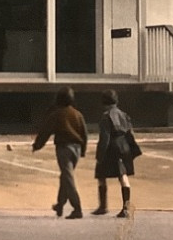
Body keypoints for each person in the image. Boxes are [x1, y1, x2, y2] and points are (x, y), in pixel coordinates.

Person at [32, 86, 88, 219]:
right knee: (65, 176)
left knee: (68, 178)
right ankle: (60, 204)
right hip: (77, 148)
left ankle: (77, 207)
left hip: (64, 148)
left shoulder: (57, 114)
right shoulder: (78, 114)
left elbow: (46, 131)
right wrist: (83, 150)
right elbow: (84, 134)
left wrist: (37, 145)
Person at [93, 90, 141, 217]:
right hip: (124, 145)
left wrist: (100, 154)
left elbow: (105, 137)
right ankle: (125, 207)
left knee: (101, 175)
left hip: (112, 147)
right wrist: (133, 149)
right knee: (123, 176)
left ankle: (103, 206)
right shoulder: (123, 115)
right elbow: (130, 132)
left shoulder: (106, 116)